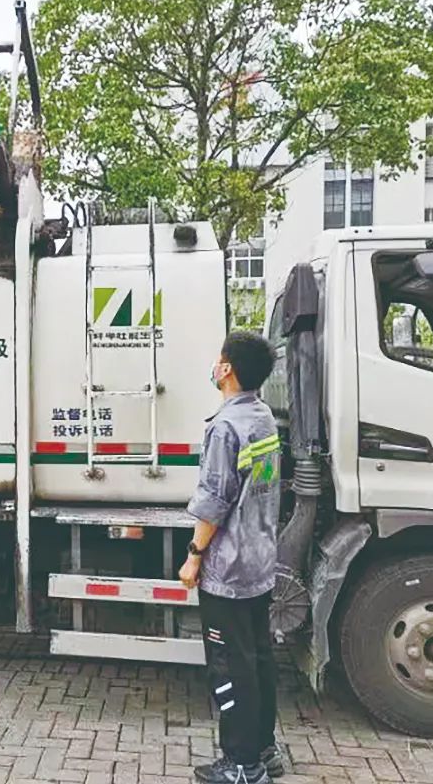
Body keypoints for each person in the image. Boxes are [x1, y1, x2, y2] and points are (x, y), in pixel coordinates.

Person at [179, 331, 284, 784]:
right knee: (258, 658)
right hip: (259, 559)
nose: (214, 364)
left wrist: (193, 555)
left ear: (226, 369)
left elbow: (215, 500)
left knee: (230, 667)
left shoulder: (225, 427)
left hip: (228, 567)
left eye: (219, 358)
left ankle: (241, 765)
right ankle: (264, 750)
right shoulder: (263, 418)